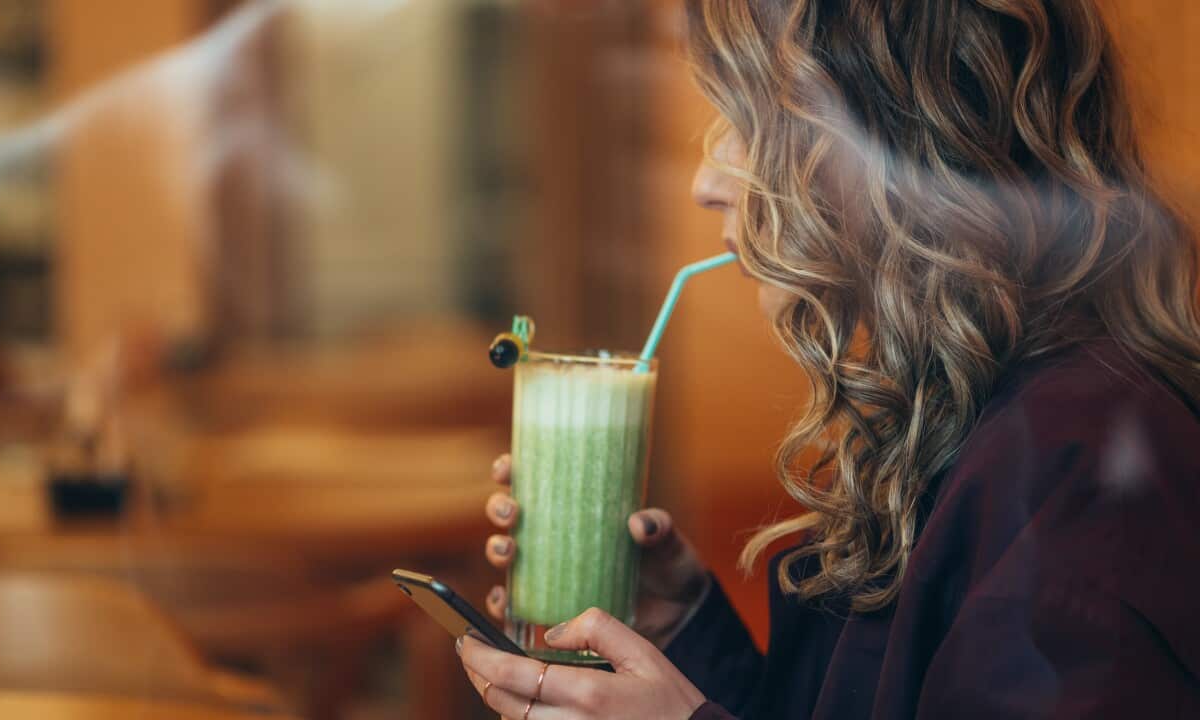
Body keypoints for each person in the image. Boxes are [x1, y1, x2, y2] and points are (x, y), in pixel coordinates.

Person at [456, 0, 1200, 717]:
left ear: (899, 144)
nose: (705, 182)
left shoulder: (1086, 469)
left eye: (749, 121)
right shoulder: (949, 414)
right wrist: (684, 623)